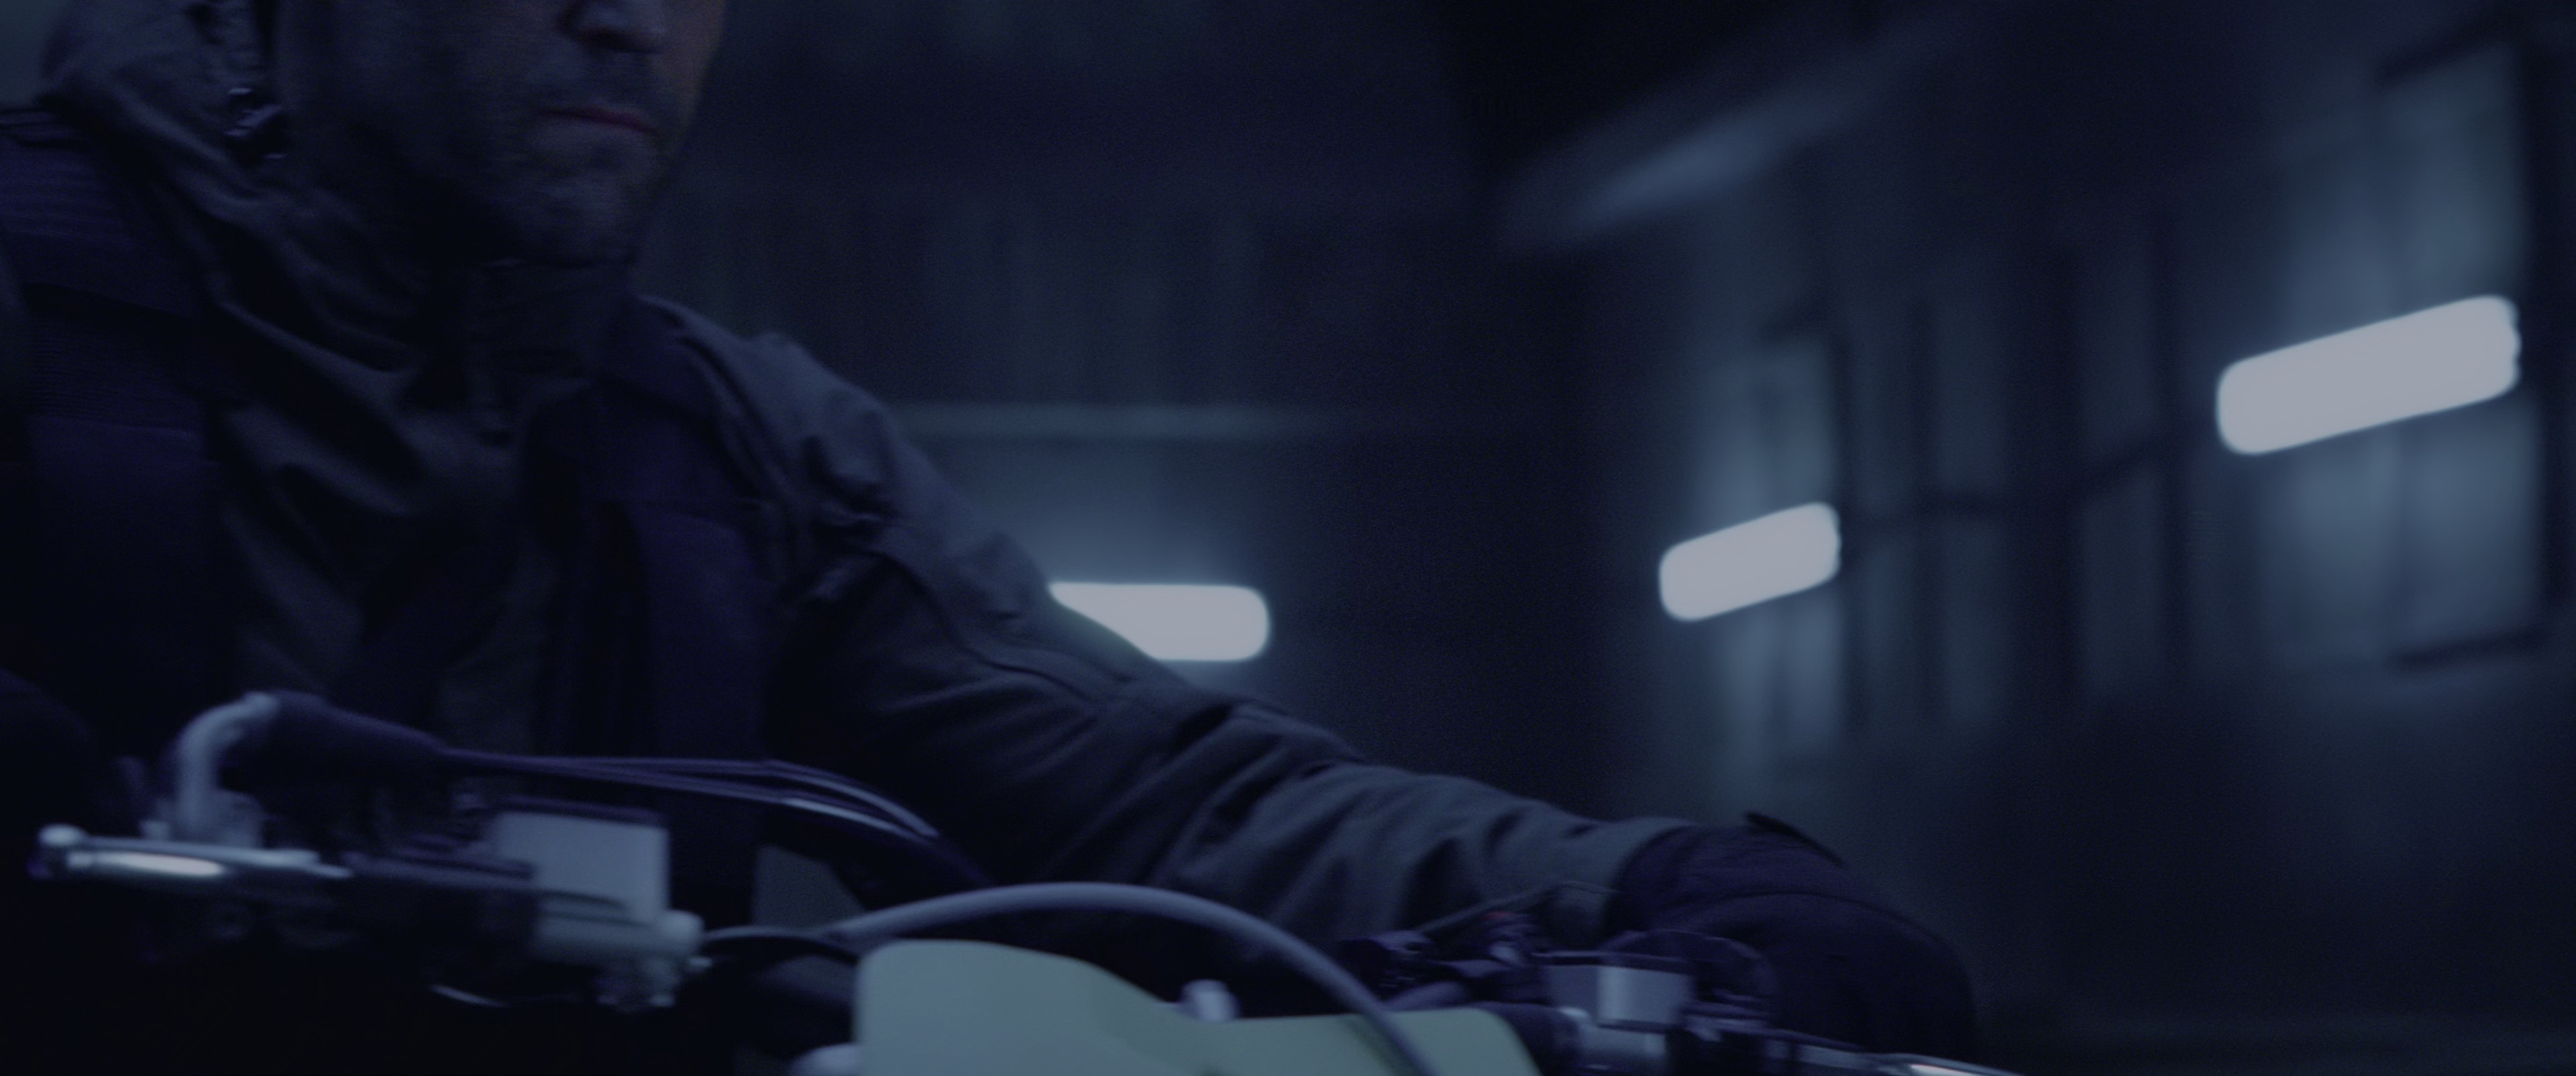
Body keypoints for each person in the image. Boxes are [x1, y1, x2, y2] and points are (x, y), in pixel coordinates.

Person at [0, 0, 1976, 1071]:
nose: (631, 20)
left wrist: (1654, 888)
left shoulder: (728, 453)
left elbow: (1168, 801)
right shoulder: (35, 305)